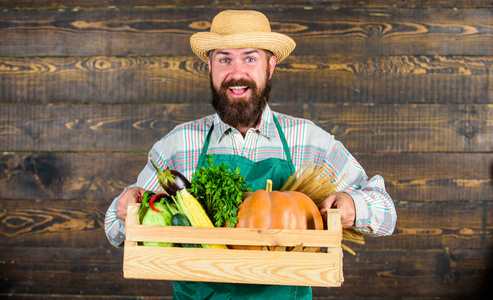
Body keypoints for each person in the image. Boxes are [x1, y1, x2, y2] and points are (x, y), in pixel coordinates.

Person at [105, 9, 397, 299]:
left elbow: (386, 212)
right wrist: (126, 208)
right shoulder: (178, 145)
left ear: (270, 66)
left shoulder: (309, 141)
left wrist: (353, 206)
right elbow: (113, 230)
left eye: (249, 58)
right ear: (209, 66)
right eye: (224, 59)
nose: (236, 73)